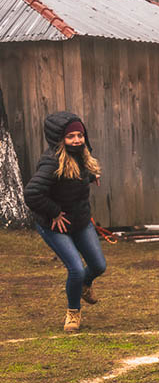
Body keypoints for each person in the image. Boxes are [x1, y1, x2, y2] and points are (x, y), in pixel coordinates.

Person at [23, 112, 105, 333]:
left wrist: (90, 177)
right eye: (71, 137)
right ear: (60, 139)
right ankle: (73, 312)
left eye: (80, 135)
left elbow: (72, 180)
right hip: (54, 225)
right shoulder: (51, 162)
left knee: (98, 266)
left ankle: (85, 286)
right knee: (76, 270)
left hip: (80, 221)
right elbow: (32, 194)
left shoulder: (82, 155)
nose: (77, 140)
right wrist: (54, 212)